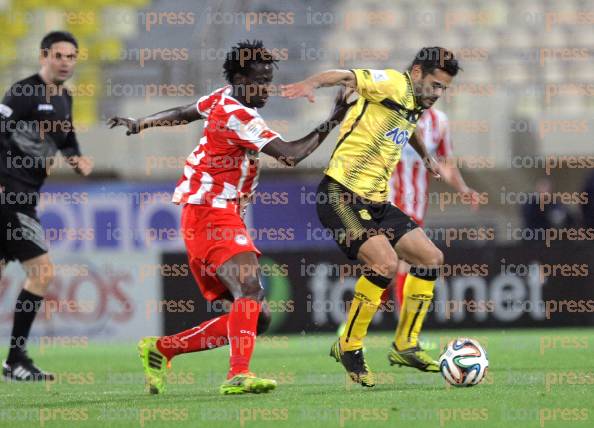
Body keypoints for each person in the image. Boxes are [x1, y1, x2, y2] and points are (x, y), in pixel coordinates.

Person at [108, 40, 353, 395]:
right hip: (211, 211)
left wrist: (143, 122)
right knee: (250, 289)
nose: (264, 89)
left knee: (259, 316)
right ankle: (238, 374)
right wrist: (333, 119)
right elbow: (290, 155)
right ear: (239, 78)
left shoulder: (222, 98)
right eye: (258, 82)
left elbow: (188, 111)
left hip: (211, 214)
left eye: (268, 82)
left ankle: (163, 349)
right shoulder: (239, 115)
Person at [282, 47, 460, 386]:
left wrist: (427, 157)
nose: (437, 95)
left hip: (376, 202)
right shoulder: (392, 83)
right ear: (418, 72)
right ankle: (349, 344)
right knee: (385, 264)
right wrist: (311, 83)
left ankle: (405, 344)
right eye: (435, 86)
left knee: (430, 257)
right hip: (341, 195)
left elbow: (408, 126)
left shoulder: (413, 103)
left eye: (444, 90)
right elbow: (345, 76)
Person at [0, 31, 93, 381]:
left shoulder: (64, 98)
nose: (65, 62)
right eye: (59, 56)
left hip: (23, 195)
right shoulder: (23, 91)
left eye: (71, 57)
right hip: (11, 196)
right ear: (44, 56)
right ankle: (15, 360)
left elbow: (65, 135)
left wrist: (76, 158)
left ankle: (15, 361)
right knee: (42, 273)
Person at [384, 106, 479, 358]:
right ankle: (407, 338)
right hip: (389, 201)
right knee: (405, 265)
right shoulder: (393, 112)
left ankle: (354, 323)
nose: (435, 92)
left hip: (417, 206)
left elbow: (446, 163)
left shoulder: (440, 120)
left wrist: (463, 188)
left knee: (387, 266)